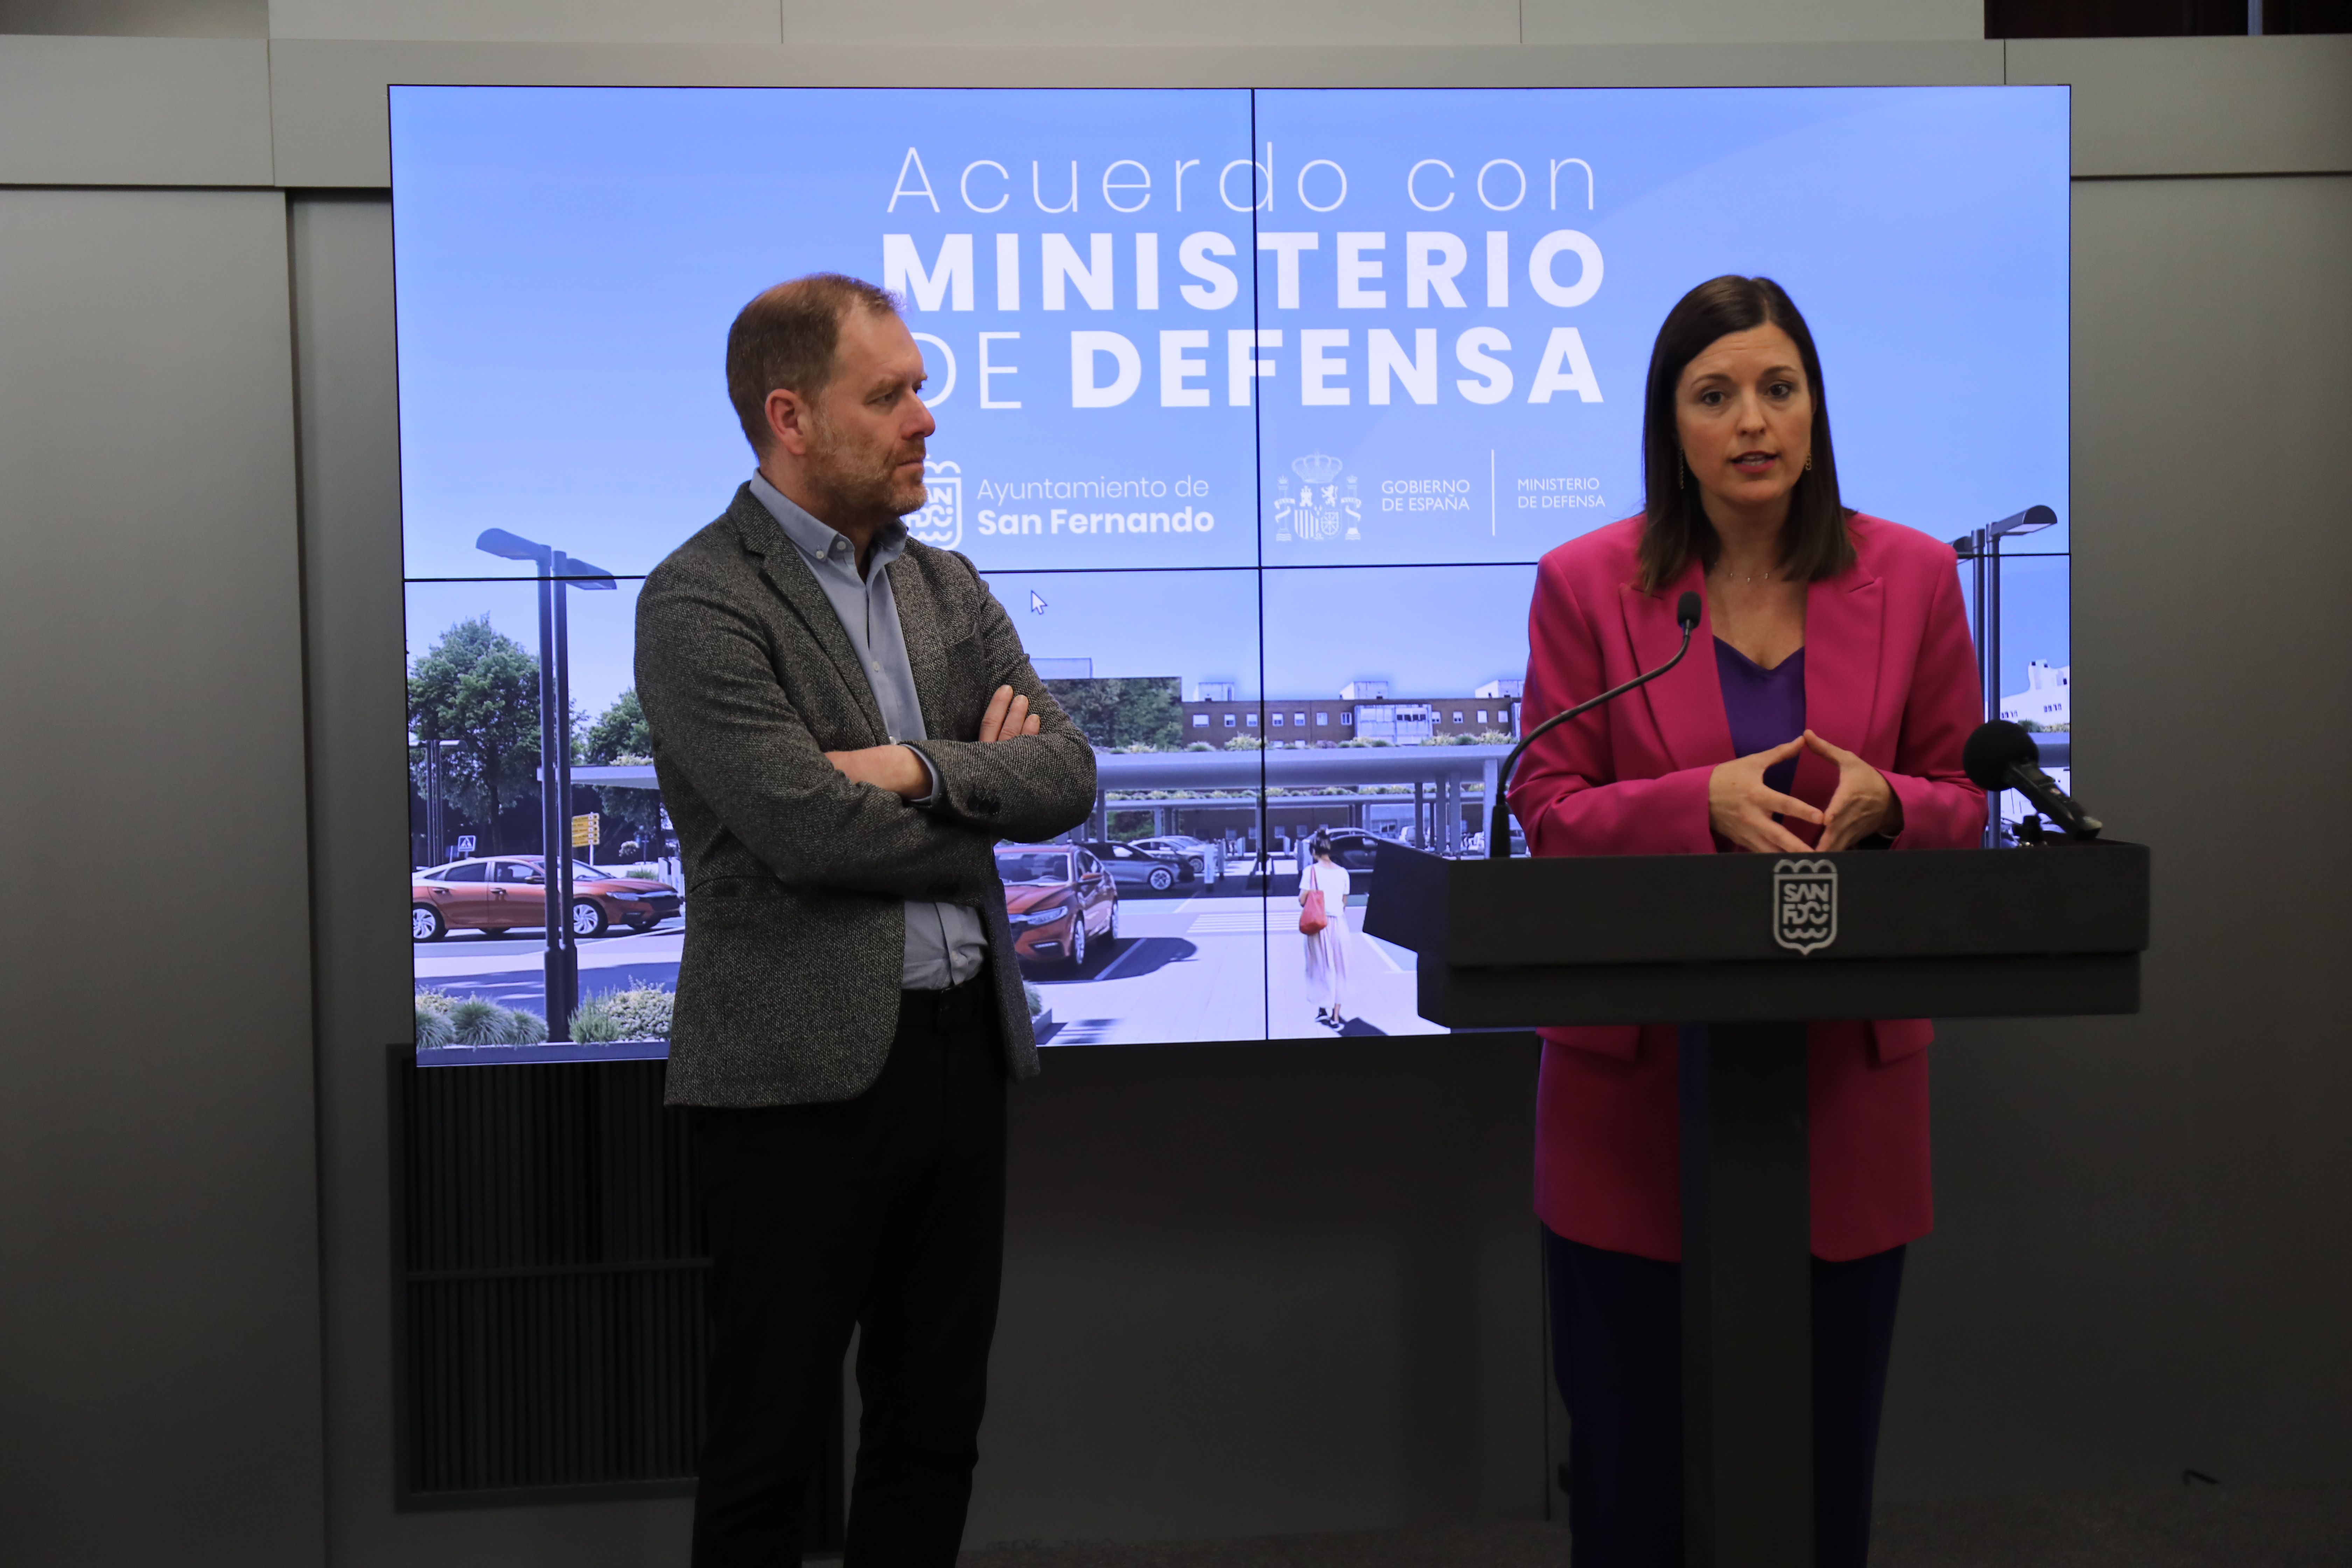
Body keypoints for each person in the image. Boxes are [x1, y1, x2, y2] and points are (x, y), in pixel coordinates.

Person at [1508, 275, 1986, 1568]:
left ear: (1815, 408)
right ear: (1671, 427)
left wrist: (1890, 801)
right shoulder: (1586, 586)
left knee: (1818, 1487)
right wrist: (1693, 801)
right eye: (1712, 395)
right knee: (1631, 1485)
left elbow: (1965, 802)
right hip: (1634, 1101)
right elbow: (1544, 811)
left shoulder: (1912, 576)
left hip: (1839, 1095)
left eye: (1777, 387)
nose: (1750, 421)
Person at [635, 274, 1096, 1566]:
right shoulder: (699, 601)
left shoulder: (946, 586)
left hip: (960, 1057)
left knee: (933, 1424)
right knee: (767, 1451)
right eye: (887, 394)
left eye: (919, 388)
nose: (925, 420)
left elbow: (1065, 776)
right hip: (791, 1088)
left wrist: (906, 765)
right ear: (789, 416)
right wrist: (973, 797)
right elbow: (799, 829)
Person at [1298, 832, 1354, 1029]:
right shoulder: (1343, 872)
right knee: (1341, 969)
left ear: (1314, 852)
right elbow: (1344, 902)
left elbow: (1302, 900)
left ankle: (1321, 1008)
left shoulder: (1311, 872)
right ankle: (1335, 1017)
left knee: (1319, 967)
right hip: (1339, 924)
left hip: (1318, 925)